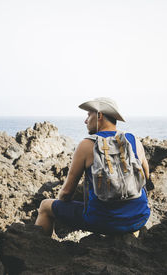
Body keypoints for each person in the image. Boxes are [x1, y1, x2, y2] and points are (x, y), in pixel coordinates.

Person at [35, 97, 151, 235]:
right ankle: (129, 240)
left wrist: (61, 208)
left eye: (89, 115)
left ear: (99, 115)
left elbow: (66, 193)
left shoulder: (87, 144)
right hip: (140, 218)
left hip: (103, 222)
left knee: (45, 206)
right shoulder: (134, 141)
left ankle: (40, 252)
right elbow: (146, 178)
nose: (85, 120)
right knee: (128, 212)